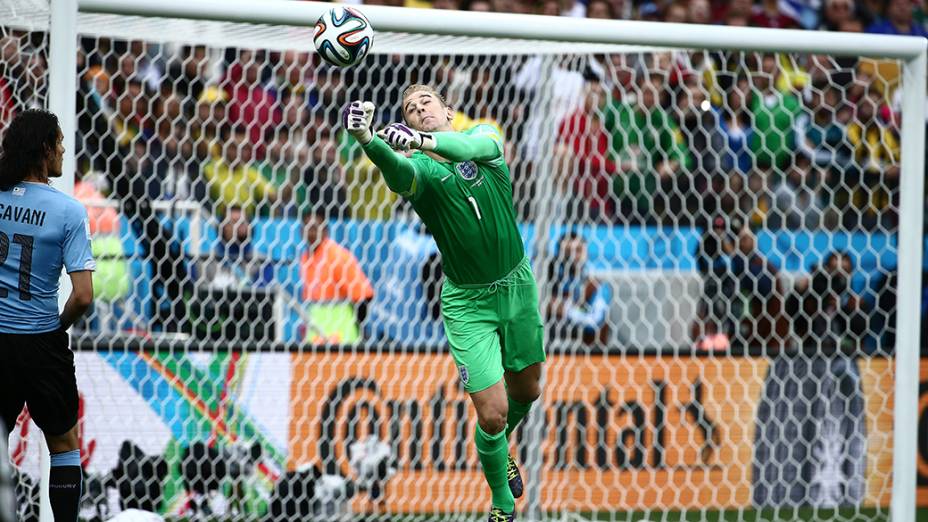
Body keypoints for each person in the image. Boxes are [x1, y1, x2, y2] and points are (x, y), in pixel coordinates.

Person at [343, 85, 545, 521]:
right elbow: (396, 170)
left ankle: (501, 447)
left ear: (448, 110)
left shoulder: (483, 137)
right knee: (491, 415)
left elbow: (471, 145)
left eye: (425, 103)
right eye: (411, 111)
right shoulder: (422, 171)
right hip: (466, 303)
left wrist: (422, 140)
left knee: (528, 390)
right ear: (408, 124)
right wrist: (367, 139)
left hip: (517, 286)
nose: (419, 111)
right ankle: (502, 505)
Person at [0, 110, 95, 522]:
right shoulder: (68, 211)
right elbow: (83, 296)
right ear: (42, 150)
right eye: (57, 141)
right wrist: (57, 326)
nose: (62, 148)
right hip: (41, 342)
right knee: (63, 444)